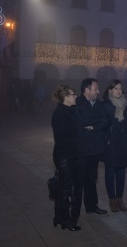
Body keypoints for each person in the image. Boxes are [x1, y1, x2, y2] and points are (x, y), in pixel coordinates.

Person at [72, 78, 110, 223]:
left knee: (92, 178)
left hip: (95, 149)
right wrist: (97, 122)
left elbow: (106, 121)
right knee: (79, 181)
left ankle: (91, 206)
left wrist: (94, 127)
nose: (98, 91)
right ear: (86, 90)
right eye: (96, 89)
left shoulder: (100, 104)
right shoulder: (78, 103)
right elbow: (82, 121)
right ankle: (75, 210)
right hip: (82, 149)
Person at [51, 84, 81, 231]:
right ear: (66, 97)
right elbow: (62, 138)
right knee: (66, 190)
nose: (76, 96)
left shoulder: (68, 111)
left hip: (67, 154)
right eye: (73, 94)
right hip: (65, 156)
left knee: (63, 187)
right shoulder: (61, 114)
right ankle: (65, 220)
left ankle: (58, 217)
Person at [102, 80, 127, 212]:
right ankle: (112, 199)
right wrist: (107, 140)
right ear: (110, 90)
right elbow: (103, 125)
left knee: (121, 172)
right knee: (110, 172)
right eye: (115, 88)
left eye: (120, 88)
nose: (118, 91)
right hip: (111, 144)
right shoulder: (105, 105)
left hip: (124, 143)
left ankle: (119, 199)